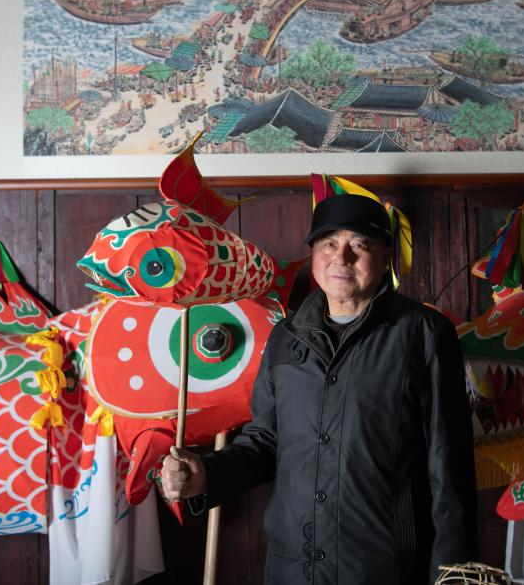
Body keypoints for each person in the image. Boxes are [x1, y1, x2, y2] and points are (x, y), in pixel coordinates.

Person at [162, 194, 477, 584]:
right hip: (292, 566)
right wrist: (206, 475)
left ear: (385, 256)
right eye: (329, 243)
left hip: (384, 569)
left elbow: (449, 464)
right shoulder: (286, 336)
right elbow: (265, 441)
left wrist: (453, 574)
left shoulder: (424, 335)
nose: (341, 257)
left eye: (360, 245)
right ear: (314, 253)